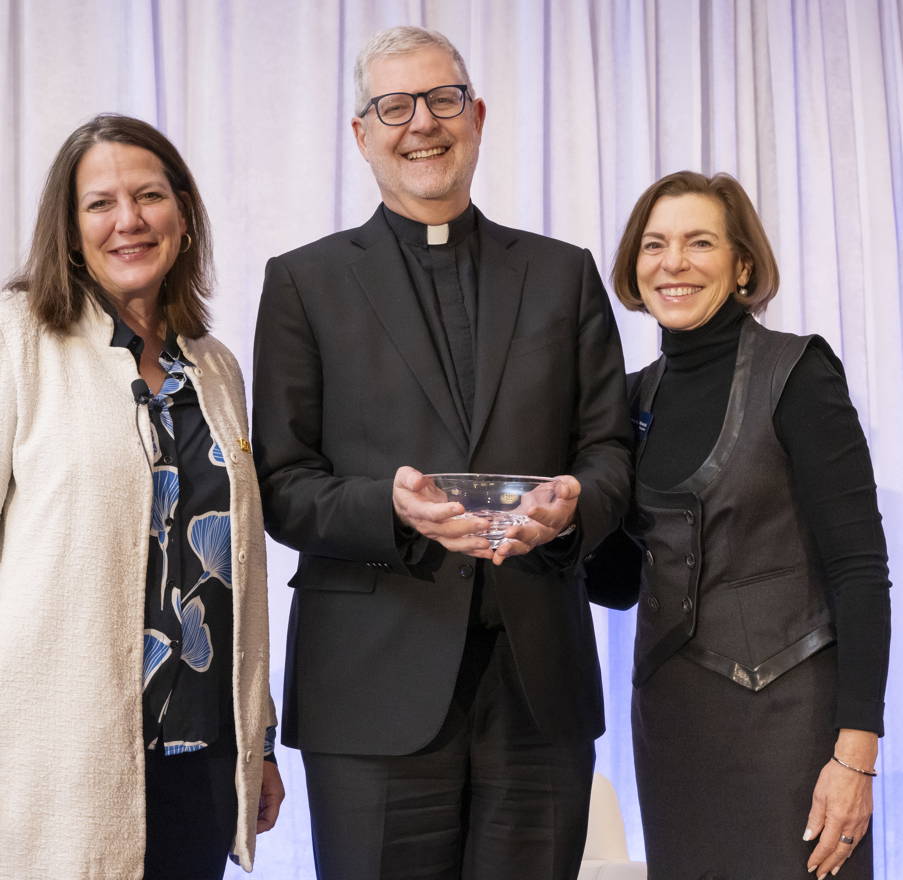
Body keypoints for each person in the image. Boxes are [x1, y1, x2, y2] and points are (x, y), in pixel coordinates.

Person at [251, 25, 633, 880]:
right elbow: (280, 484)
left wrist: (575, 509)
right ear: (362, 133)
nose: (421, 123)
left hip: (538, 682)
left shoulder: (562, 273)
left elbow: (609, 449)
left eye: (442, 100)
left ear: (477, 115)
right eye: (394, 105)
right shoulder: (304, 283)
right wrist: (385, 505)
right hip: (371, 686)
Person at [0, 113, 283, 880]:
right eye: (99, 203)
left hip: (197, 764)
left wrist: (256, 741)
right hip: (44, 761)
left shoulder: (216, 369)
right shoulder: (8, 338)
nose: (128, 220)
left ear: (184, 216)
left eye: (148, 197)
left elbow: (241, 575)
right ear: (70, 233)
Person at [585, 170, 891, 879]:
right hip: (672, 728)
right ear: (635, 265)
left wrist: (857, 753)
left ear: (742, 263)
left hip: (794, 730)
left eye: (699, 243)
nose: (674, 263)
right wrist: (558, 514)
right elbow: (621, 584)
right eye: (654, 245)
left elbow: (860, 569)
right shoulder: (629, 402)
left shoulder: (799, 372)